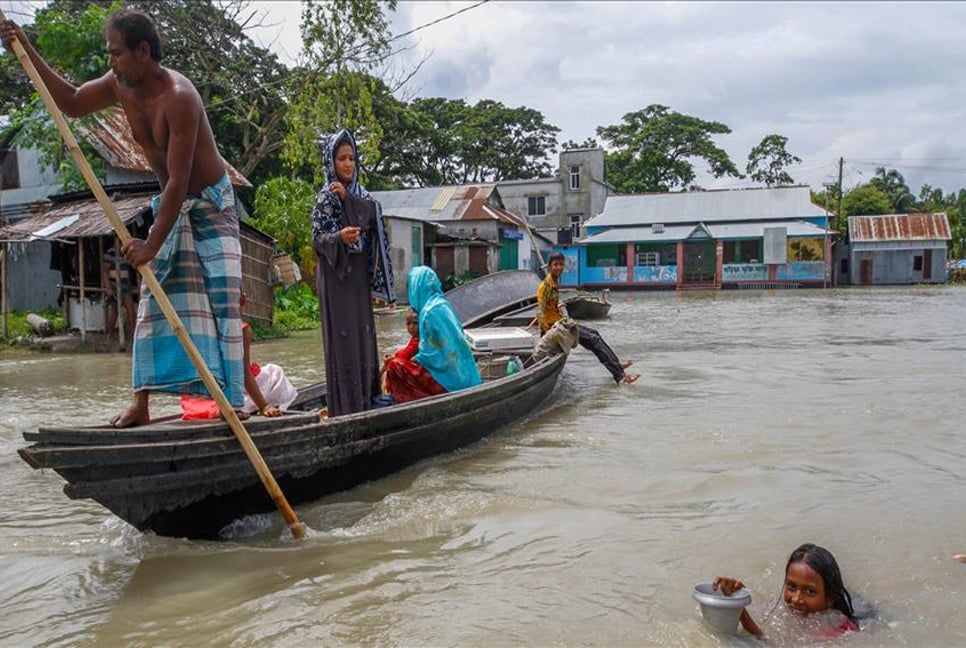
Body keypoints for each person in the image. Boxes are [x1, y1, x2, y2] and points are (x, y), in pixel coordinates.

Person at [2, 10, 245, 427]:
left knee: (222, 300)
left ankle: (232, 404)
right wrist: (25, 49)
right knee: (154, 298)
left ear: (143, 51)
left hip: (210, 204)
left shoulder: (181, 98)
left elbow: (179, 182)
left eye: (116, 53)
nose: (110, 61)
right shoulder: (120, 85)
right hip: (172, 201)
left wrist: (151, 242)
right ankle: (141, 403)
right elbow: (75, 102)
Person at [311, 127, 394, 417]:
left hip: (358, 279)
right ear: (330, 162)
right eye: (341, 159)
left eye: (351, 158)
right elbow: (318, 240)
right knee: (343, 343)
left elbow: (372, 213)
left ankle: (367, 401)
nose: (347, 164)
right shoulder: (324, 198)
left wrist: (348, 199)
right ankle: (347, 408)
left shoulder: (360, 195)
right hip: (337, 278)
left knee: (363, 339)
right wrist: (338, 238)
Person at [181, 293, 297, 420]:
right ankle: (252, 407)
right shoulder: (240, 329)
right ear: (243, 300)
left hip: (195, 402)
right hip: (227, 399)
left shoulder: (199, 329)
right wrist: (264, 407)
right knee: (275, 372)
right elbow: (244, 373)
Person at [714, 543, 860, 640]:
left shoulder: (839, 631)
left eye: (809, 591)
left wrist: (741, 611)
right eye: (791, 587)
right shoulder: (778, 609)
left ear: (830, 597)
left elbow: (767, 643)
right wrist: (738, 597)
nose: (796, 599)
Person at [535, 251, 640, 384]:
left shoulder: (554, 282)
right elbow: (540, 310)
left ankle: (616, 365)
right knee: (593, 339)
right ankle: (620, 376)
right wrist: (546, 332)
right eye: (555, 265)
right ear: (550, 267)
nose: (559, 267)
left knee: (594, 334)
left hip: (562, 323)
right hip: (558, 328)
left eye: (561, 264)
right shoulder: (546, 285)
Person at [384, 266, 482, 404]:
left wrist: (408, 361)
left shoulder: (428, 313)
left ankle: (412, 401)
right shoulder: (442, 304)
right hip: (465, 376)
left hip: (448, 382)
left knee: (395, 366)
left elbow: (430, 356)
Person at [101, 243, 138, 343]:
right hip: (114, 285)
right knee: (115, 311)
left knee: (131, 310)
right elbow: (104, 270)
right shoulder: (111, 253)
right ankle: (111, 335)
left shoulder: (126, 252)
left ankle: (133, 335)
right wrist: (108, 287)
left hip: (125, 285)